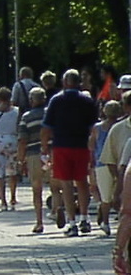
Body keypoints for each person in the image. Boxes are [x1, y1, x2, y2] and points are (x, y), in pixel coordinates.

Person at [43, 69, 100, 236]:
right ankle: (85, 218)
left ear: (64, 82)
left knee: (66, 184)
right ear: (78, 83)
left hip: (61, 145)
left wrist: (44, 146)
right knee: (82, 182)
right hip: (82, 145)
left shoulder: (56, 100)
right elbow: (93, 127)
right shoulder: (87, 101)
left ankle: (72, 221)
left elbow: (46, 127)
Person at [16, 87, 50, 234]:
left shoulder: (26, 117)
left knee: (37, 189)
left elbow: (22, 140)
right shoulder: (51, 113)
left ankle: (39, 222)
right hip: (52, 153)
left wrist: (20, 159)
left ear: (31, 100)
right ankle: (57, 210)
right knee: (57, 185)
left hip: (34, 154)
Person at [92, 100, 122, 236]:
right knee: (120, 193)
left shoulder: (97, 127)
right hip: (118, 162)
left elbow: (91, 144)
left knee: (105, 196)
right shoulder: (122, 126)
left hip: (101, 163)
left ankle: (105, 222)